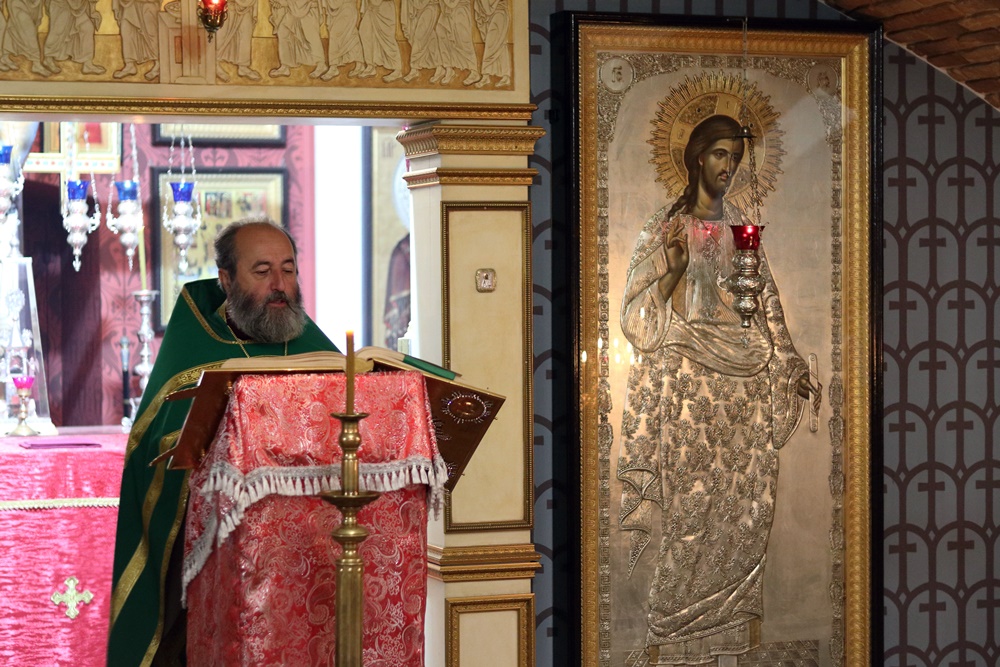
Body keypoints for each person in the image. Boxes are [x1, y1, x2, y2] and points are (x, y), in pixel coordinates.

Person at [616, 114, 818, 666]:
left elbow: (768, 308)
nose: (729, 166)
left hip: (747, 392)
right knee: (692, 514)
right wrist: (672, 273)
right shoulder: (665, 229)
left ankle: (734, 646)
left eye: (736, 157)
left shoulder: (744, 232)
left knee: (748, 513)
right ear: (697, 157)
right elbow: (635, 322)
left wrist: (791, 366)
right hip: (690, 391)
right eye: (720, 154)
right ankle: (668, 637)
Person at [108, 217, 337, 664]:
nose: (279, 285)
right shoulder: (194, 351)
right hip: (222, 552)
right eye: (262, 271)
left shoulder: (315, 348)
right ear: (227, 280)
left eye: (288, 269)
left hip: (308, 551)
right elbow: (160, 446)